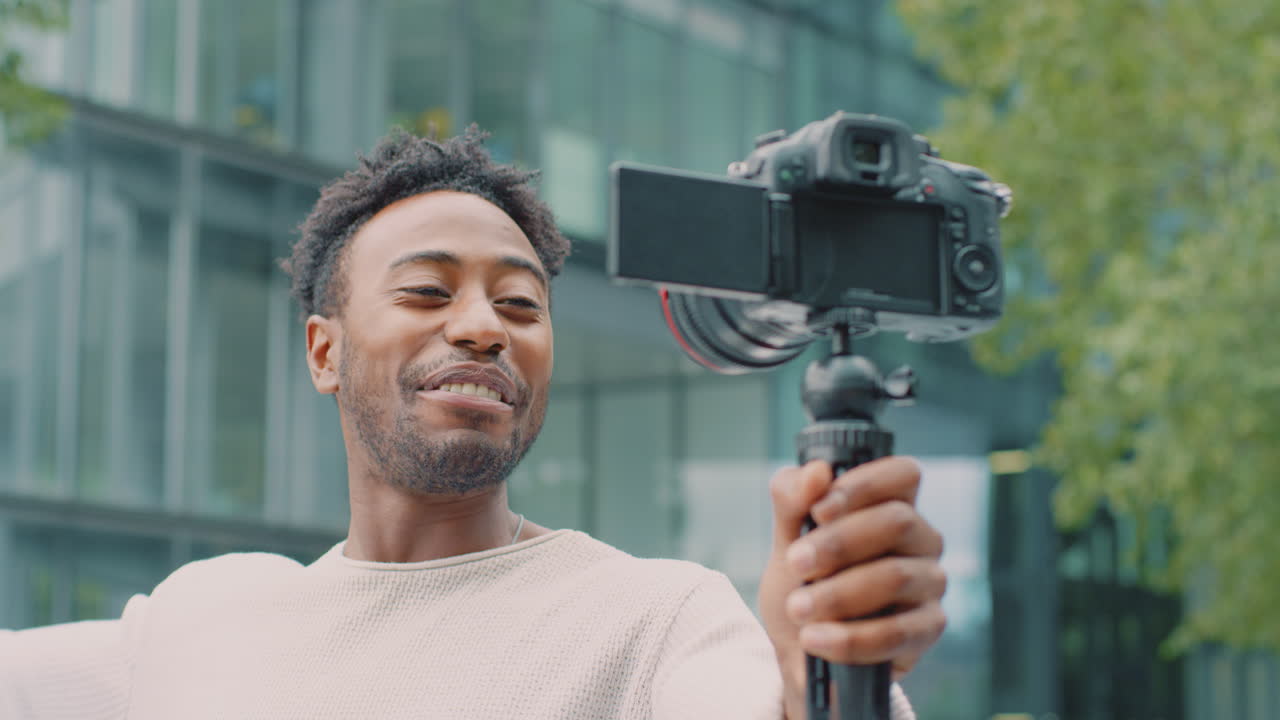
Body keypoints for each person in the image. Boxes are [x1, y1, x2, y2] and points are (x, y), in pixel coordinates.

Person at [1, 128, 946, 719]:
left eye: (522, 307)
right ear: (324, 352)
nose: (484, 328)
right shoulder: (202, 614)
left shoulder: (657, 620)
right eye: (426, 290)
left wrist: (818, 677)